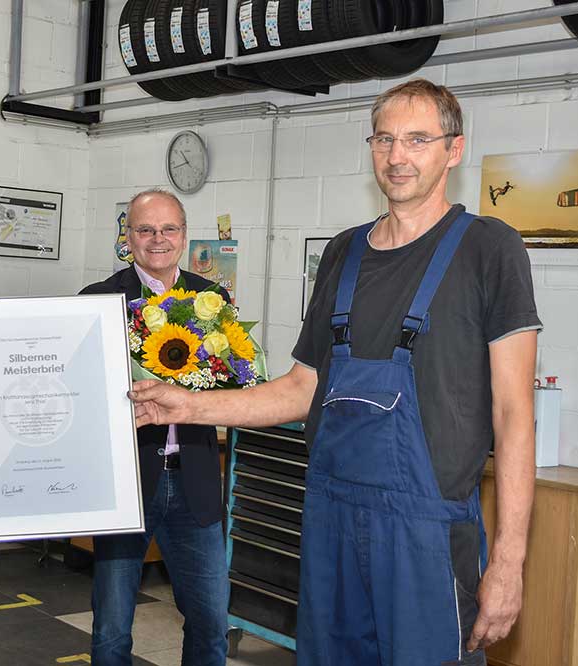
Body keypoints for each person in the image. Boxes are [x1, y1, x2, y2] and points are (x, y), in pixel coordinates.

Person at [130, 80, 540, 665]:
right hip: (331, 524)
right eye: (385, 139)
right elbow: (301, 389)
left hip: (426, 536)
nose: (397, 156)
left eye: (417, 140)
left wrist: (508, 561)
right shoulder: (344, 254)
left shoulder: (489, 248)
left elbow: (514, 413)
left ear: (454, 150)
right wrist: (188, 404)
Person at [79, 188, 230, 665]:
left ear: (184, 236)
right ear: (128, 237)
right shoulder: (99, 300)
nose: (158, 239)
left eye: (168, 229)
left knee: (211, 623)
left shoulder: (212, 299)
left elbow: (228, 378)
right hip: (126, 483)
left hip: (196, 481)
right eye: (145, 230)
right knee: (111, 629)